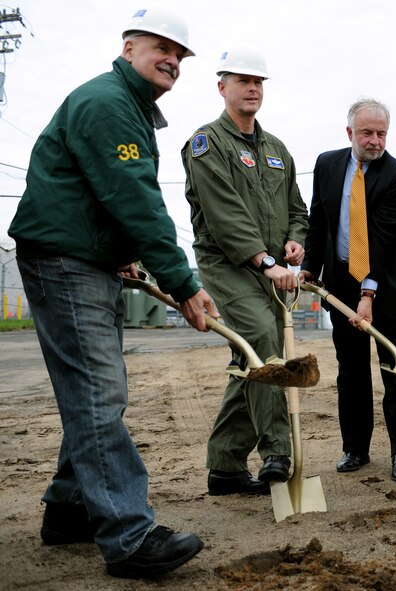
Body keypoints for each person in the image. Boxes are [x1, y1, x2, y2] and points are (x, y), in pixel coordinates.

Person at [8, 7, 213, 578]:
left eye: (179, 53)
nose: (170, 58)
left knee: (91, 389)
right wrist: (183, 281)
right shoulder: (109, 105)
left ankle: (69, 510)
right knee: (99, 393)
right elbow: (135, 198)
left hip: (85, 257)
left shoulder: (129, 107)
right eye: (159, 47)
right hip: (64, 260)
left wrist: (120, 253)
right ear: (129, 49)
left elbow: (105, 195)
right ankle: (128, 535)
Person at [181, 47, 309, 496]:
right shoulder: (205, 144)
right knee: (262, 338)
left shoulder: (277, 149)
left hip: (272, 268)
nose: (252, 88)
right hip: (228, 263)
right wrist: (267, 263)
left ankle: (225, 466)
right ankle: (278, 450)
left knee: (250, 359)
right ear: (222, 87)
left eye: (259, 82)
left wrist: (296, 240)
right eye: (242, 80)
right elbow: (224, 215)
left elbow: (297, 208)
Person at [300, 99, 396, 482]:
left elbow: (383, 240)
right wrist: (308, 268)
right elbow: (318, 218)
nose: (374, 141)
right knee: (351, 372)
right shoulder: (327, 164)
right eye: (367, 133)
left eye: (381, 133)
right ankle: (355, 449)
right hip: (340, 284)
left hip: (388, 284)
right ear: (349, 132)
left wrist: (368, 295)